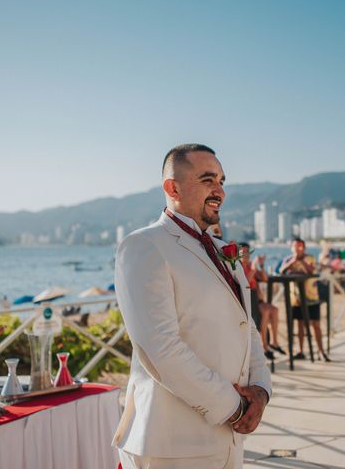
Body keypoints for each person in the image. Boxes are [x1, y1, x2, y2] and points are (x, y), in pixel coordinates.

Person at [113, 144, 272, 468]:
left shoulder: (223, 250)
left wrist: (261, 389)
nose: (219, 192)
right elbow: (159, 347)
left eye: (222, 182)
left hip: (228, 439)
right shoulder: (144, 246)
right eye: (207, 180)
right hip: (171, 443)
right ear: (172, 188)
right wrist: (233, 406)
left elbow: (247, 326)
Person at [280, 237, 330, 362]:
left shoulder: (310, 258)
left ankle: (320, 351)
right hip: (296, 297)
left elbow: (311, 271)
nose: (298, 248)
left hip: (312, 296)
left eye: (300, 246)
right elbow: (281, 271)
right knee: (300, 324)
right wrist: (293, 261)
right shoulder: (288, 259)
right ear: (292, 247)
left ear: (304, 247)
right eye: (295, 246)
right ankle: (301, 351)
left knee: (316, 324)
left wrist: (301, 261)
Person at [239, 243, 286, 360]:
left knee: (274, 310)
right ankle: (264, 346)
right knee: (265, 312)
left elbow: (265, 278)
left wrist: (261, 265)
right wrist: (254, 269)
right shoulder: (238, 267)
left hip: (256, 298)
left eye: (247, 251)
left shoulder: (250, 266)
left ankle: (274, 342)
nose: (246, 254)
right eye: (243, 251)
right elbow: (245, 283)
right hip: (247, 300)